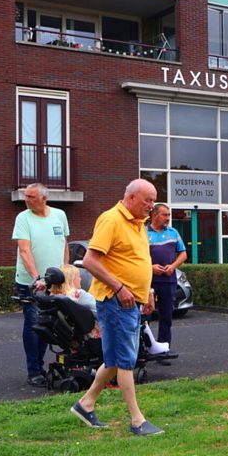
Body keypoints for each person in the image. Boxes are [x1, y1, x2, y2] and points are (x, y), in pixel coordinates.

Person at [70, 179, 163, 435]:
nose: (151, 206)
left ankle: (85, 404)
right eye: (147, 200)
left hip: (132, 300)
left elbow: (139, 261)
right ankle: (137, 420)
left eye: (153, 200)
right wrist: (120, 288)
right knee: (125, 360)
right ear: (131, 198)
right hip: (115, 300)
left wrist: (149, 291)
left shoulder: (138, 224)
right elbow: (89, 260)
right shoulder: (111, 220)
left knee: (114, 359)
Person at [13, 183, 70, 387]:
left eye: (31, 197)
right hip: (30, 282)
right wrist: (36, 277)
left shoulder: (59, 215)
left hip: (54, 282)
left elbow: (64, 245)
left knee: (49, 324)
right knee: (33, 324)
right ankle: (34, 370)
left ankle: (42, 366)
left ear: (44, 198)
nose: (26, 200)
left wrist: (65, 271)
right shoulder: (23, 218)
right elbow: (24, 251)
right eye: (25, 196)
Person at [147, 203, 187, 360]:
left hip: (168, 280)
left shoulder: (173, 232)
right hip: (148, 281)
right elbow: (135, 257)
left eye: (169, 215)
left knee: (166, 316)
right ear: (154, 215)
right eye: (165, 215)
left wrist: (173, 266)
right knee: (146, 317)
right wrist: (150, 267)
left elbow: (183, 254)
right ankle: (146, 349)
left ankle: (163, 350)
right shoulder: (143, 233)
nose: (168, 218)